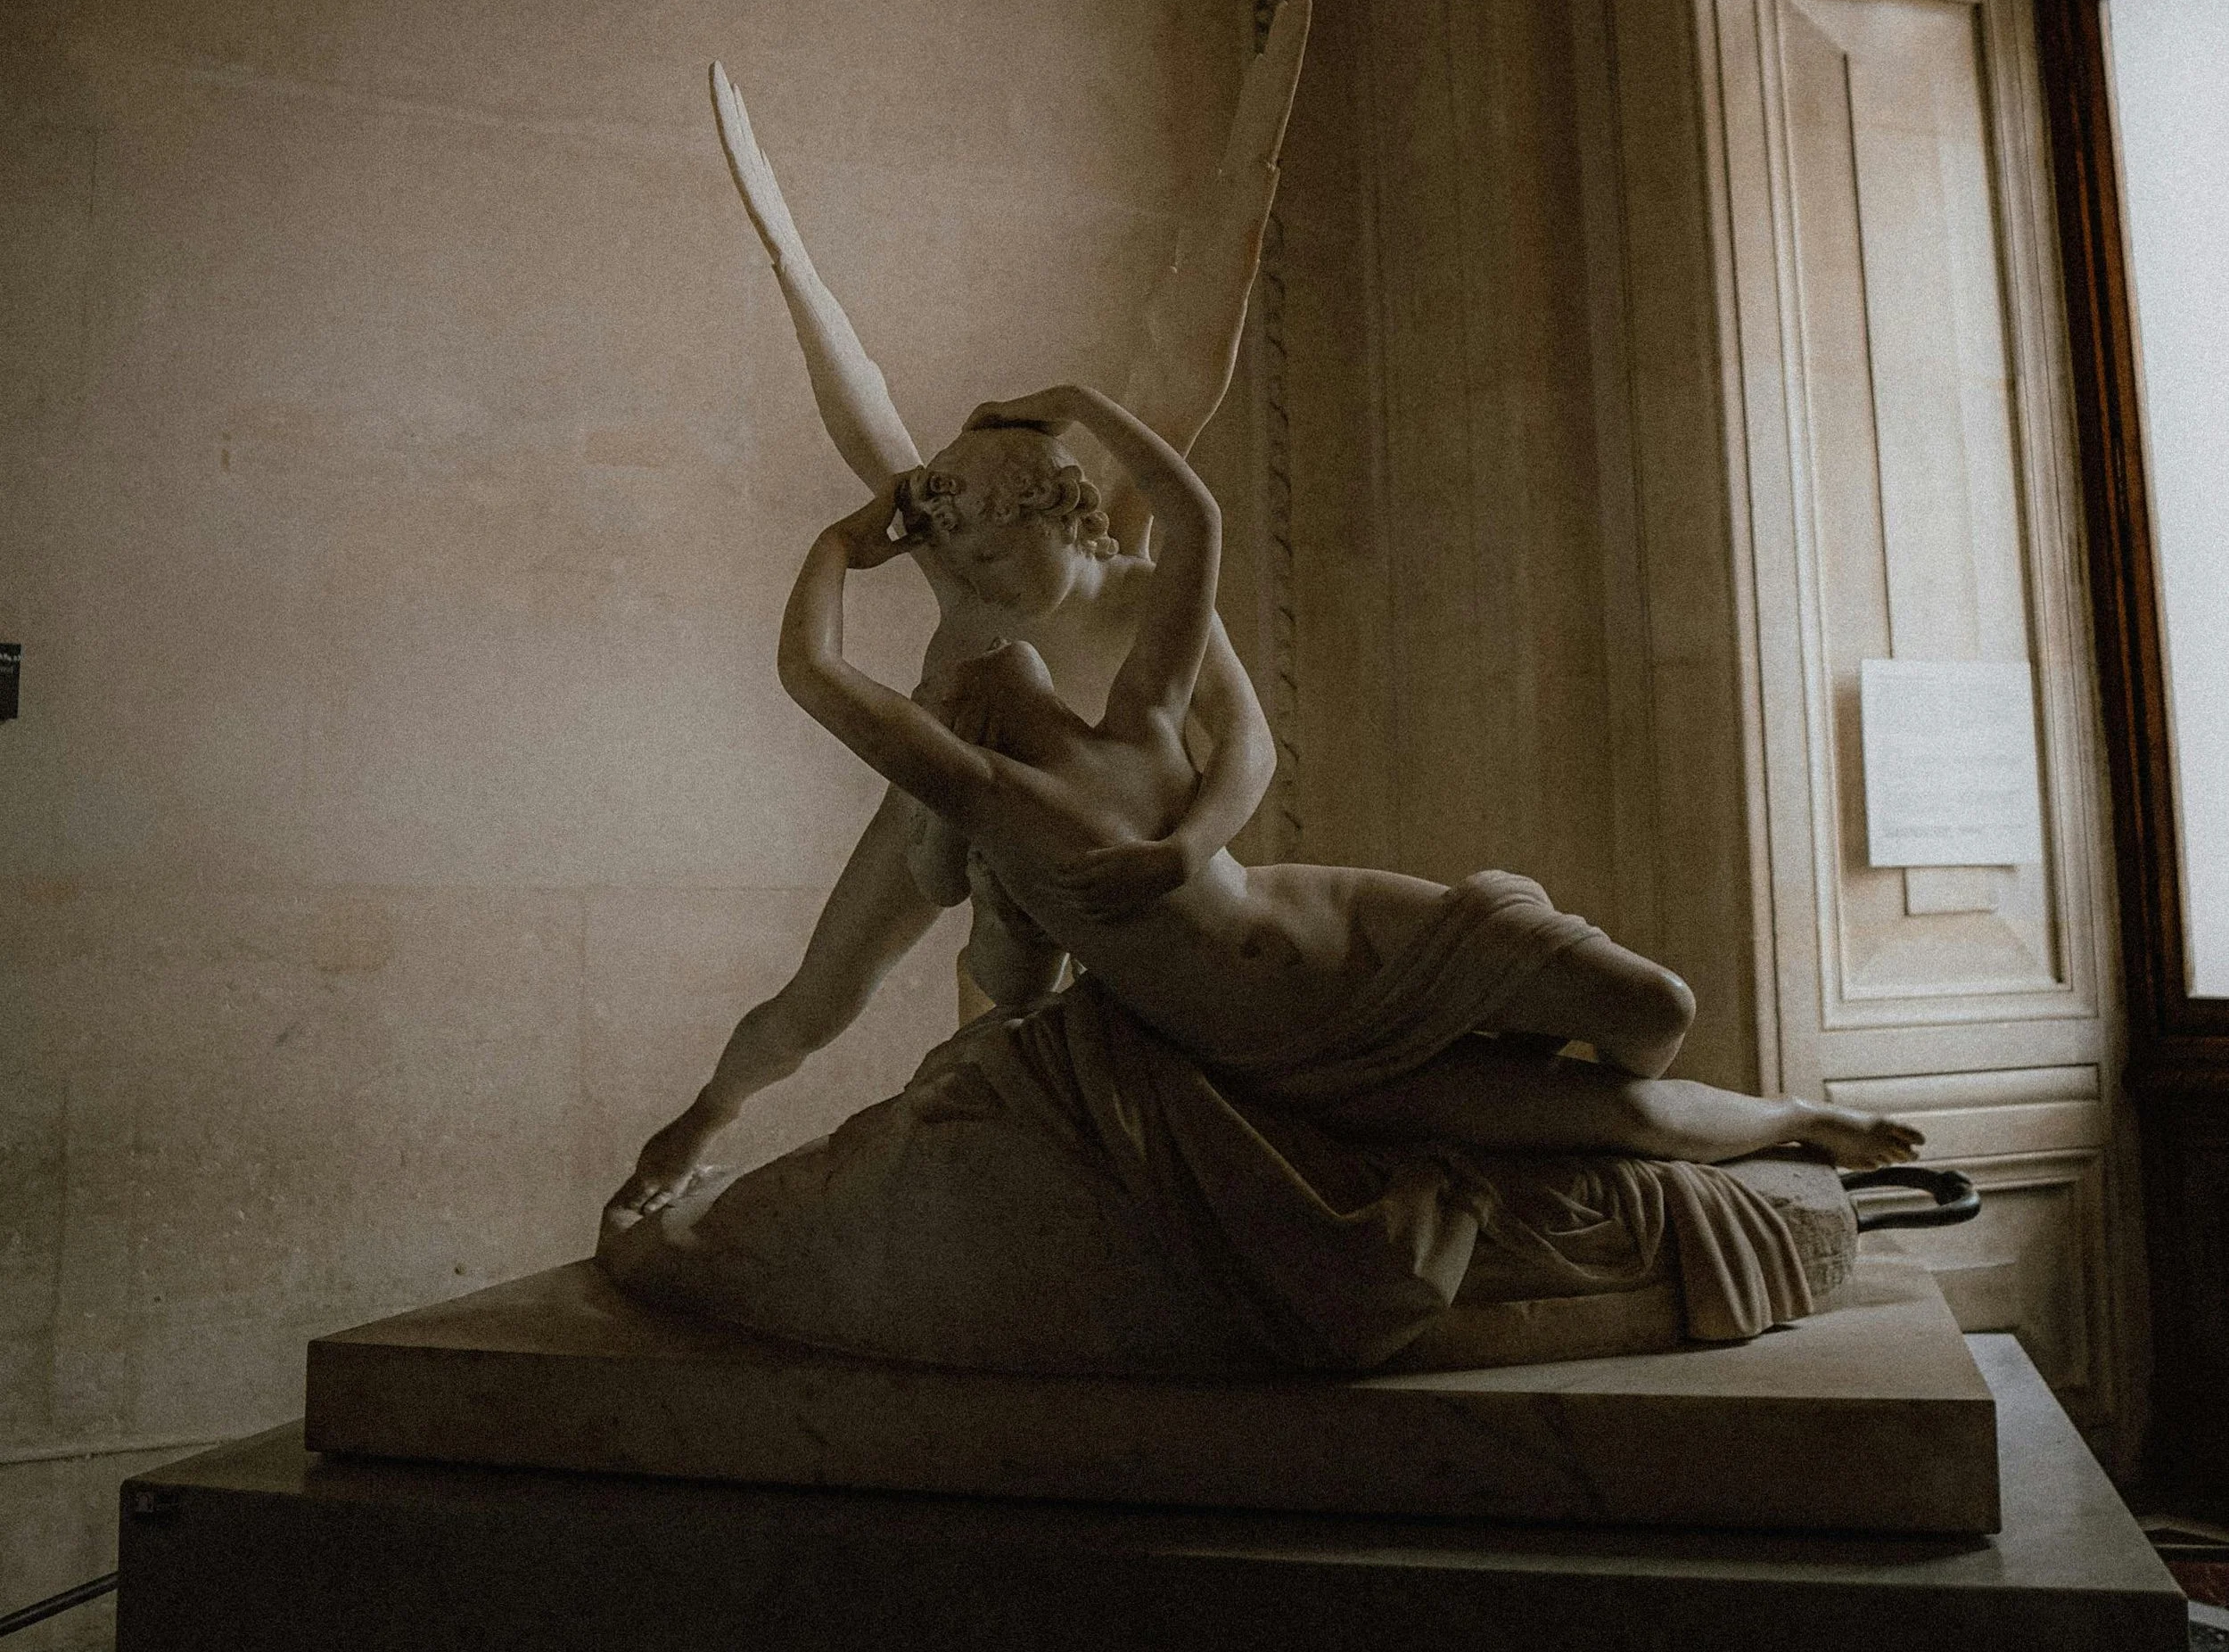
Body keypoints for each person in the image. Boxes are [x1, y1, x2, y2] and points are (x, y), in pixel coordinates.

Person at [765, 381, 1926, 1183]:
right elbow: (811, 670)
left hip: (1356, 925)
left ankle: (1534, 1059)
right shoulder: (991, 798)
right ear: (960, 719)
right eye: (973, 668)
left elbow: (1195, 517)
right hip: (1285, 1046)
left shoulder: (1137, 711)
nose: (1001, 642)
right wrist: (842, 541)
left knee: (1655, 1011)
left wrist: (1072, 400)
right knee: (1616, 1116)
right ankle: (1797, 1122)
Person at [616, 0, 1312, 1212]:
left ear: (1063, 510)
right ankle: (699, 1121)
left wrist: (1188, 844)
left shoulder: (1144, 584)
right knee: (814, 1003)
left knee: (1035, 1028)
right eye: (960, 549)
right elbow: (852, 398)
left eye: (992, 548)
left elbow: (1250, 739)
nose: (970, 574)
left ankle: (1029, 1189)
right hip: (946, 808)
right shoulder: (963, 544)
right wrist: (789, 258)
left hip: (1105, 838)